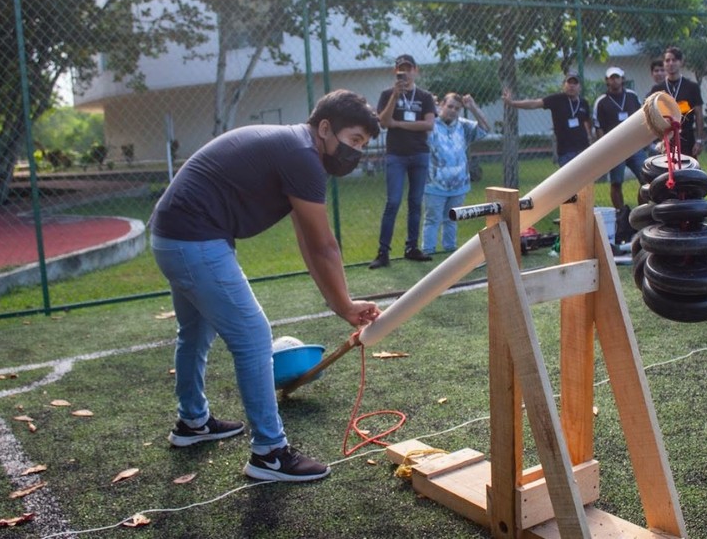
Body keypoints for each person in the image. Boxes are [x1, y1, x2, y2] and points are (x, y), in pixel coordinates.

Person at [149, 89, 382, 482]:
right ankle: (269, 454)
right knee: (254, 338)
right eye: (354, 141)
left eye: (362, 145)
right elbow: (325, 246)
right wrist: (344, 305)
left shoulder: (296, 148)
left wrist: (338, 302)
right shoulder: (302, 156)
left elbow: (309, 240)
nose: (355, 152)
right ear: (325, 128)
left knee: (194, 332)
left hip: (172, 236)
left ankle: (192, 422)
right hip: (193, 240)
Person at [369, 54, 437, 269]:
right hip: (396, 155)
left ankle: (412, 248)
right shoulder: (387, 94)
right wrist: (395, 97)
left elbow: (428, 125)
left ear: (415, 70)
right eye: (401, 69)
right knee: (393, 202)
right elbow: (383, 122)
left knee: (416, 202)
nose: (405, 73)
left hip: (419, 154)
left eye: (408, 69)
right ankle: (383, 252)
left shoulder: (424, 97)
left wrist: (397, 123)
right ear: (395, 71)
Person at [422, 93, 491, 255]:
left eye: (457, 108)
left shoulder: (463, 126)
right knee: (432, 219)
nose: (453, 111)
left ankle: (450, 249)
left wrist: (472, 106)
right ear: (441, 106)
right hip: (434, 184)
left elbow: (485, 128)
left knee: (452, 218)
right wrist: (429, 107)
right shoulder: (430, 124)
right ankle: (428, 250)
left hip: (459, 184)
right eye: (450, 106)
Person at [502, 70, 592, 167]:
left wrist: (590, 140)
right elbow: (534, 104)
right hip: (566, 152)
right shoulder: (557, 100)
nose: (572, 86)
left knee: (587, 180)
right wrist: (512, 103)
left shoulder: (583, 103)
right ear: (564, 85)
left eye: (575, 83)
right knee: (571, 181)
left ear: (580, 87)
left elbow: (586, 123)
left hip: (583, 149)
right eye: (569, 82)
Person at [593, 66, 645, 209]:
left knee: (646, 179)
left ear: (623, 79)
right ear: (607, 81)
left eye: (617, 77)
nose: (615, 80)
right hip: (615, 148)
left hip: (634, 145)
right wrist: (605, 148)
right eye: (612, 78)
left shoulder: (632, 96)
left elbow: (642, 116)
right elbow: (599, 127)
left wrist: (642, 140)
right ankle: (620, 212)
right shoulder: (602, 101)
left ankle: (640, 211)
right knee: (616, 182)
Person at [649, 46, 706, 158]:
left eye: (674, 60)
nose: (670, 63)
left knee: (688, 173)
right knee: (667, 173)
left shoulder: (691, 87)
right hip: (666, 138)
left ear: (680, 62)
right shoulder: (657, 89)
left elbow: (699, 114)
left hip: (687, 138)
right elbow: (652, 116)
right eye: (667, 60)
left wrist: (699, 140)